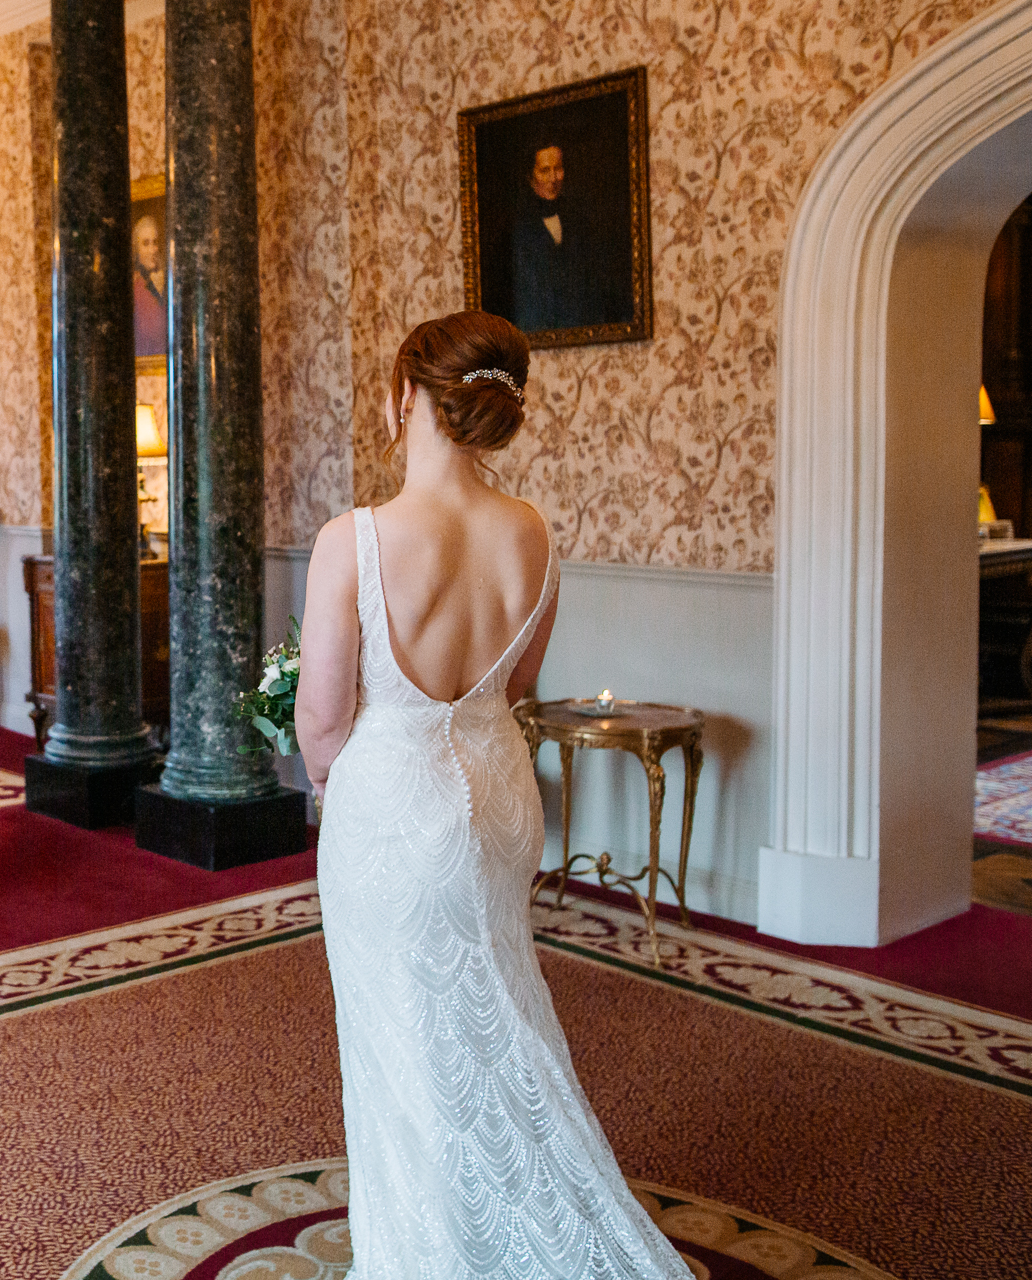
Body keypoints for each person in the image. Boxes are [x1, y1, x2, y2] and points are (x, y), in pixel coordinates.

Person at [294, 311, 692, 1278]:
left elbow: (319, 722)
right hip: (502, 799)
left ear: (406, 398)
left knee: (406, 1047)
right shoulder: (532, 533)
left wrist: (345, 788)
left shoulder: (354, 540)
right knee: (498, 1010)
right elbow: (513, 690)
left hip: (391, 801)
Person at [507, 142, 622, 334]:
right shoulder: (519, 228)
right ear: (530, 177)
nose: (553, 178)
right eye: (544, 171)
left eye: (558, 169)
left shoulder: (580, 220)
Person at [132, 213, 167, 359]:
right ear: (136, 250)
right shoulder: (133, 290)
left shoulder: (167, 285)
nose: (153, 250)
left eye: (155, 242)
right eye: (146, 244)